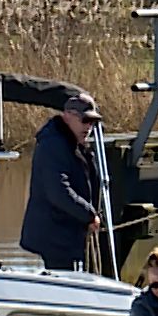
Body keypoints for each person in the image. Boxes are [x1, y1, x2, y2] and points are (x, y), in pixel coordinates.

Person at [19, 92, 103, 270]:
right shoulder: (53, 145)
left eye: (92, 122)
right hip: (55, 237)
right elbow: (58, 191)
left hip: (68, 235)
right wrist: (88, 214)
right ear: (68, 117)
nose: (88, 127)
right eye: (84, 120)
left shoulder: (75, 144)